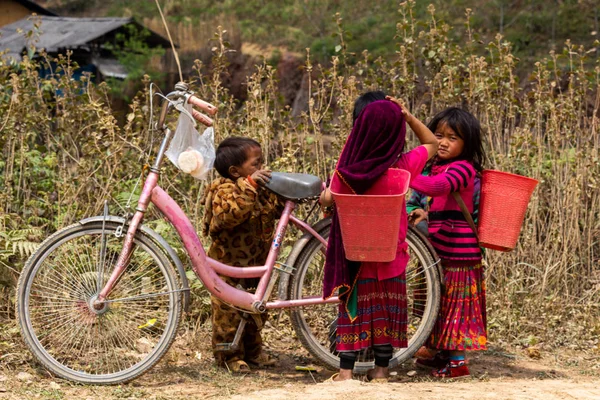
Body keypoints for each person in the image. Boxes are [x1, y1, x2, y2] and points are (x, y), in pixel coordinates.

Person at [320, 93, 438, 382]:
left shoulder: (348, 172)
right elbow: (432, 143)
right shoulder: (403, 166)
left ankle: (345, 372)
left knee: (353, 310)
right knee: (385, 309)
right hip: (390, 255)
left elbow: (326, 201)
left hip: (355, 257)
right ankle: (382, 370)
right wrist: (408, 116)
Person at [407, 107, 487, 379]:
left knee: (456, 306)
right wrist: (422, 212)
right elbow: (438, 201)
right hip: (440, 249)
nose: (442, 142)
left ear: (467, 144)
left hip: (459, 254)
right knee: (439, 302)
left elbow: (440, 188)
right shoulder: (436, 167)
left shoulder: (463, 169)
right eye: (438, 135)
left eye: (452, 137)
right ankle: (441, 351)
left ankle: (457, 362)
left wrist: (401, 173)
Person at [201, 137, 281, 372]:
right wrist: (250, 186)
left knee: (255, 312)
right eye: (256, 164)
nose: (262, 169)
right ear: (235, 171)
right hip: (228, 265)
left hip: (257, 263)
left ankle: (254, 352)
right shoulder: (223, 189)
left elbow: (274, 209)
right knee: (228, 313)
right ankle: (229, 357)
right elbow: (230, 215)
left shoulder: (261, 188)